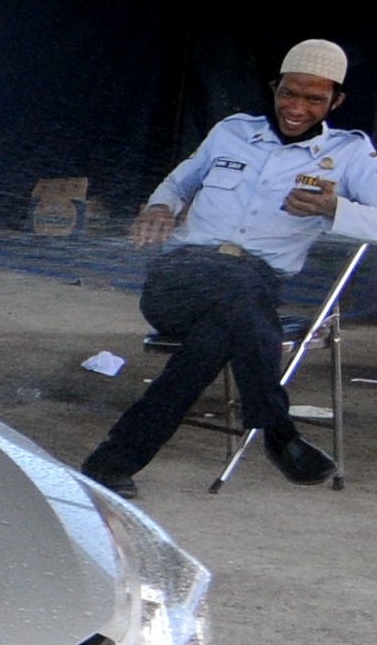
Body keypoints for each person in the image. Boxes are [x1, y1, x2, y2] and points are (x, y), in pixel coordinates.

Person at [81, 40, 370, 495]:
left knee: (214, 338)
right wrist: (160, 205)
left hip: (252, 288)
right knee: (240, 294)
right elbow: (179, 183)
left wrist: (335, 209)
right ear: (274, 88)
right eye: (288, 93)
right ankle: (277, 432)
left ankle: (112, 462)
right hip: (182, 278)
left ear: (336, 101)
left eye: (314, 99)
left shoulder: (350, 154)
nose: (297, 108)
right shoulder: (231, 132)